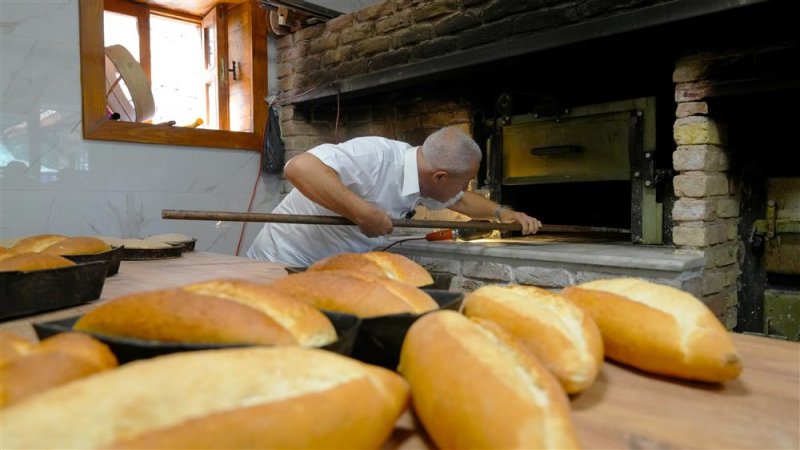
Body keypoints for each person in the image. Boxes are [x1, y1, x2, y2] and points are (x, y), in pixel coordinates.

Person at [247, 126, 541, 266]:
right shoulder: (375, 157)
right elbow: (300, 167)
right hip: (281, 262)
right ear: (440, 176)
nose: (463, 189)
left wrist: (502, 213)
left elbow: (461, 201)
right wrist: (361, 212)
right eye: (463, 182)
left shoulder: (424, 175)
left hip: (329, 268)